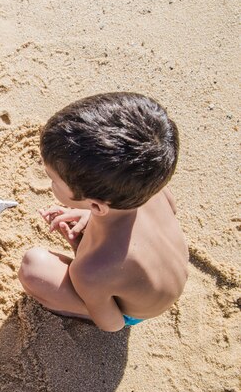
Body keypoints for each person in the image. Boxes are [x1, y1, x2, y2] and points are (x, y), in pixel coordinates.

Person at [18, 92, 189, 332]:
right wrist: (89, 216)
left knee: (34, 267)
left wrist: (90, 275)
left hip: (129, 313)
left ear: (98, 205)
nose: (51, 183)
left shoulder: (90, 271)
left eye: (52, 180)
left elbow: (113, 324)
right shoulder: (151, 187)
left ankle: (84, 306)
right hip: (161, 282)